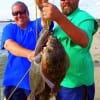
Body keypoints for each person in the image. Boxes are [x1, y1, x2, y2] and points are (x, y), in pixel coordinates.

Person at [37, 0, 98, 100]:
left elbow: (84, 41)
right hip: (61, 82)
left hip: (77, 86)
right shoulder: (58, 24)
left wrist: (58, 17)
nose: (66, 1)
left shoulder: (85, 18)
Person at [1, 1, 53, 100]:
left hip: (37, 83)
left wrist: (42, 5)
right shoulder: (10, 28)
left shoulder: (36, 25)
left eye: (21, 12)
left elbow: (46, 21)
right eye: (15, 13)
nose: (19, 15)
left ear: (27, 12)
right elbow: (8, 44)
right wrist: (29, 54)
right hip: (13, 83)